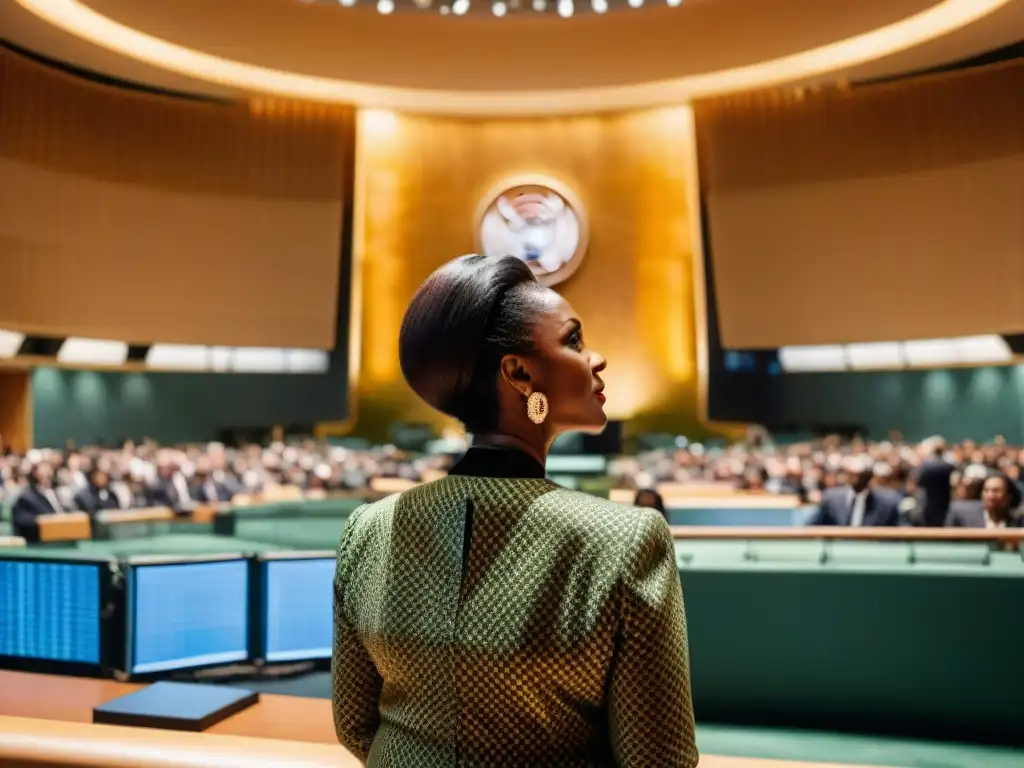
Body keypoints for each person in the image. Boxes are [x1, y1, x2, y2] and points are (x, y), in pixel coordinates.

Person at [332, 254, 697, 767]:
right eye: (573, 340)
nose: (597, 359)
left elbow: (354, 724)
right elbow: (658, 758)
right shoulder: (627, 539)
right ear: (519, 372)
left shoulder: (367, 529)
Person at [809, 460, 901, 527]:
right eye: (853, 475)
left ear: (870, 477)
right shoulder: (831, 497)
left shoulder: (888, 502)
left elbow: (899, 531)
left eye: (861, 476)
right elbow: (813, 525)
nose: (857, 479)